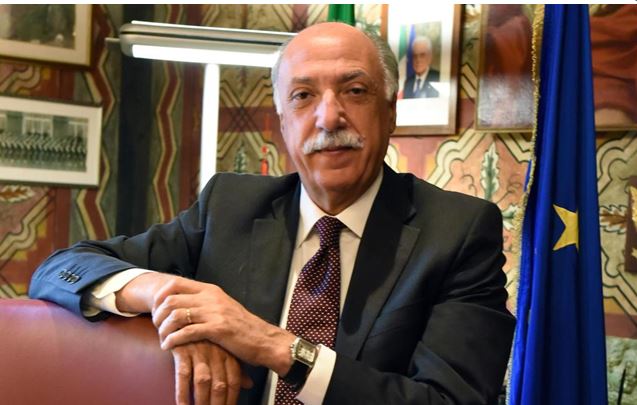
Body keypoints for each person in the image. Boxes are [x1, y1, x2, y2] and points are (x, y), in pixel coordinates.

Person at [29, 22, 515, 405]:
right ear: (283, 122)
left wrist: (274, 346)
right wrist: (169, 299)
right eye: (303, 96)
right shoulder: (230, 206)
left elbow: (449, 400)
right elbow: (61, 269)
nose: (329, 117)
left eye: (355, 91)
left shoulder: (457, 231)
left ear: (390, 112)